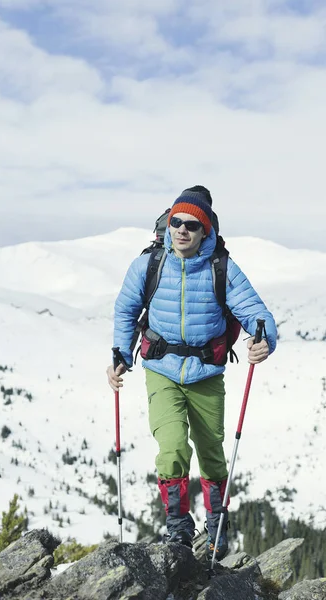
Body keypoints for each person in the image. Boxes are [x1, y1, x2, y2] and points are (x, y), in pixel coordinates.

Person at [107, 186, 277, 560]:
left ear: (206, 232)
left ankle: (216, 522)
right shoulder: (149, 264)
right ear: (168, 224)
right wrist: (121, 354)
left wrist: (264, 339)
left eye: (192, 225)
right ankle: (178, 527)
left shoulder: (221, 267)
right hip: (161, 370)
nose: (182, 230)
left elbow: (256, 312)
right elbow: (125, 310)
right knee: (171, 448)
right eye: (176, 222)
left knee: (212, 454)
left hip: (206, 374)